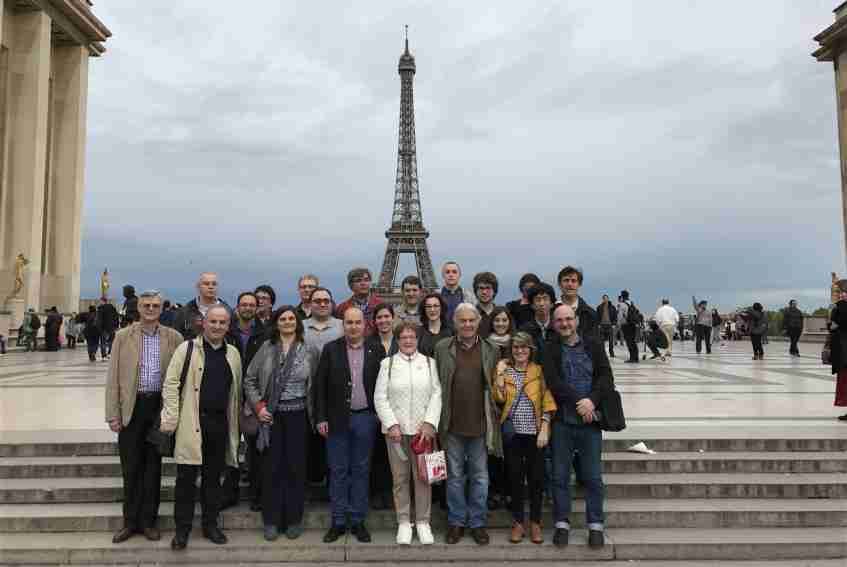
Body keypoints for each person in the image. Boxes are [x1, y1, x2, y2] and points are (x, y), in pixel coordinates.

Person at [161, 305, 242, 550]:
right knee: (186, 480)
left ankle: (210, 525)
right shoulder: (186, 349)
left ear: (228, 326)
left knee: (212, 479)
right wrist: (171, 417)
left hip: (219, 424)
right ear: (203, 323)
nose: (217, 326)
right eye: (213, 321)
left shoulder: (233, 354)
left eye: (223, 322)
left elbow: (235, 394)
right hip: (191, 422)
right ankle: (182, 530)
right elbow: (171, 383)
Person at [105, 291, 183, 544]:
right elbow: (113, 379)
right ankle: (130, 522)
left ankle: (148, 522)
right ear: (138, 308)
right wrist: (112, 414)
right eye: (146, 305)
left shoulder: (173, 337)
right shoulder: (122, 337)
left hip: (157, 409)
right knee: (131, 467)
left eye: (155, 305)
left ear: (161, 309)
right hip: (131, 408)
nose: (151, 309)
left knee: (153, 468)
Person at [244, 306, 318, 541]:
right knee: (272, 469)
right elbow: (249, 379)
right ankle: (272, 520)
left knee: (296, 469)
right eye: (283, 319)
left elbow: (315, 386)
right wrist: (259, 407)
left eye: (291, 318)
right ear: (276, 323)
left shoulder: (310, 350)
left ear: (298, 323)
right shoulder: (266, 348)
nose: (287, 322)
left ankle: (294, 519)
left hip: (298, 416)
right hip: (271, 417)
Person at [544, 304, 613, 549]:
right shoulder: (550, 348)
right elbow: (553, 381)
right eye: (559, 320)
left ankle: (596, 525)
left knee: (593, 477)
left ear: (576, 321)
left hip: (590, 422)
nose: (564, 324)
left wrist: (592, 400)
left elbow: (606, 377)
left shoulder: (593, 345)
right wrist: (579, 402)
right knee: (560, 476)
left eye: (568, 319)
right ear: (554, 324)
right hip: (563, 422)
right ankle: (562, 523)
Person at [434, 303, 502, 546]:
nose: (467, 325)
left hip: (481, 424)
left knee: (480, 477)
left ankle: (477, 522)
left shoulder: (491, 349)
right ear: (454, 323)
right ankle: (456, 522)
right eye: (462, 320)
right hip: (451, 423)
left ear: (478, 322)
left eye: (471, 320)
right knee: (454, 477)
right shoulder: (442, 348)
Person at [314, 307, 383, 544]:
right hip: (337, 420)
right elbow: (319, 387)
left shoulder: (376, 349)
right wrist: (321, 418)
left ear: (365, 325)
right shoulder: (330, 349)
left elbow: (383, 386)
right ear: (343, 325)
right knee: (338, 471)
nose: (353, 327)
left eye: (357, 322)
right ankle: (338, 521)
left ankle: (358, 520)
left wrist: (376, 416)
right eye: (349, 322)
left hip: (365, 418)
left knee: (361, 472)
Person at [373, 320, 441, 545]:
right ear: (398, 340)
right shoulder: (388, 364)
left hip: (423, 433)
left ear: (418, 339)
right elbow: (380, 397)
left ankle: (423, 522)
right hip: (396, 433)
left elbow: (436, 394)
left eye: (412, 337)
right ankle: (403, 521)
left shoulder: (430, 364)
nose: (408, 341)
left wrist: (430, 423)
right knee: (400, 478)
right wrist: (391, 424)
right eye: (403, 337)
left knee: (423, 478)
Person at [492, 331, 555, 544]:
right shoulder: (506, 371)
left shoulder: (538, 371)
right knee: (515, 479)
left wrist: (545, 426)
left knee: (536, 480)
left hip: (535, 434)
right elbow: (499, 398)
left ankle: (535, 522)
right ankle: (518, 522)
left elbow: (546, 399)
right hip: (512, 435)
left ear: (530, 350)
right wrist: (500, 375)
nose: (520, 351)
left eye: (524, 347)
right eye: (516, 348)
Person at [221, 292, 267, 512]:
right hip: (228, 395)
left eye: (252, 304)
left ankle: (257, 495)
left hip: (255, 398)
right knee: (228, 446)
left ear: (257, 308)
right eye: (244, 304)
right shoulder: (227, 331)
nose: (248, 308)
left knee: (256, 449)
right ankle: (229, 493)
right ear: (237, 307)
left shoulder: (266, 333)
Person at [302, 287, 343, 500]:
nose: (322, 304)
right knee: (309, 440)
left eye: (326, 300)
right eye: (317, 301)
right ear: (310, 304)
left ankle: (332, 488)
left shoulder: (342, 326)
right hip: (306, 391)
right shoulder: (300, 327)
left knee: (333, 442)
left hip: (333, 393)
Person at [366, 303, 398, 510]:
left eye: (387, 316)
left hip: (399, 406)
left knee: (397, 455)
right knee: (377, 452)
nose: (383, 320)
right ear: (374, 321)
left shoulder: (404, 341)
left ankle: (395, 493)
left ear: (393, 318)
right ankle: (379, 492)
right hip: (375, 406)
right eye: (379, 317)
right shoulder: (368, 343)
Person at [173, 272, 232, 340]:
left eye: (214, 284)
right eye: (206, 284)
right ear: (198, 286)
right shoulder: (184, 313)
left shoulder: (228, 312)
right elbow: (176, 339)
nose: (210, 287)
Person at [335, 268, 383, 337]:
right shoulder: (342, 309)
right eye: (358, 281)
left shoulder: (381, 305)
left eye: (366, 280)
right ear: (350, 285)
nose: (363, 283)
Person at [556, 266, 597, 340]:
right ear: (560, 284)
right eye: (566, 280)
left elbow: (596, 345)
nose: (570, 284)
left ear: (579, 284)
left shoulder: (590, 314)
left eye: (573, 281)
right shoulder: (551, 310)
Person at [520, 282, 557, 363]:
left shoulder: (559, 328)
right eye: (538, 299)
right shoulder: (524, 331)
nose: (541, 303)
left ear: (552, 304)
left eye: (545, 299)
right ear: (532, 305)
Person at [828, 279, 847, 421]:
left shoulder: (841, 308)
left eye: (842, 293)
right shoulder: (840, 308)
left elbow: (837, 323)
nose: (841, 295)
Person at [417, 293, 453, 357]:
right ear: (424, 309)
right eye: (428, 306)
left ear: (441, 308)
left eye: (435, 306)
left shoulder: (452, 331)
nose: (432, 309)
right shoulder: (418, 332)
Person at [472, 272, 499, 338]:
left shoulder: (502, 314)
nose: (484, 292)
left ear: (494, 291)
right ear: (476, 291)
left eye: (488, 288)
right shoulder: (470, 314)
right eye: (481, 288)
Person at [617, 290, 640, 363]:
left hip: (626, 325)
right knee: (633, 341)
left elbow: (620, 316)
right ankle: (636, 357)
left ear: (622, 296)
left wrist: (619, 324)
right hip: (633, 324)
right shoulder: (631, 303)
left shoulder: (622, 304)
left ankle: (632, 358)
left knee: (629, 342)